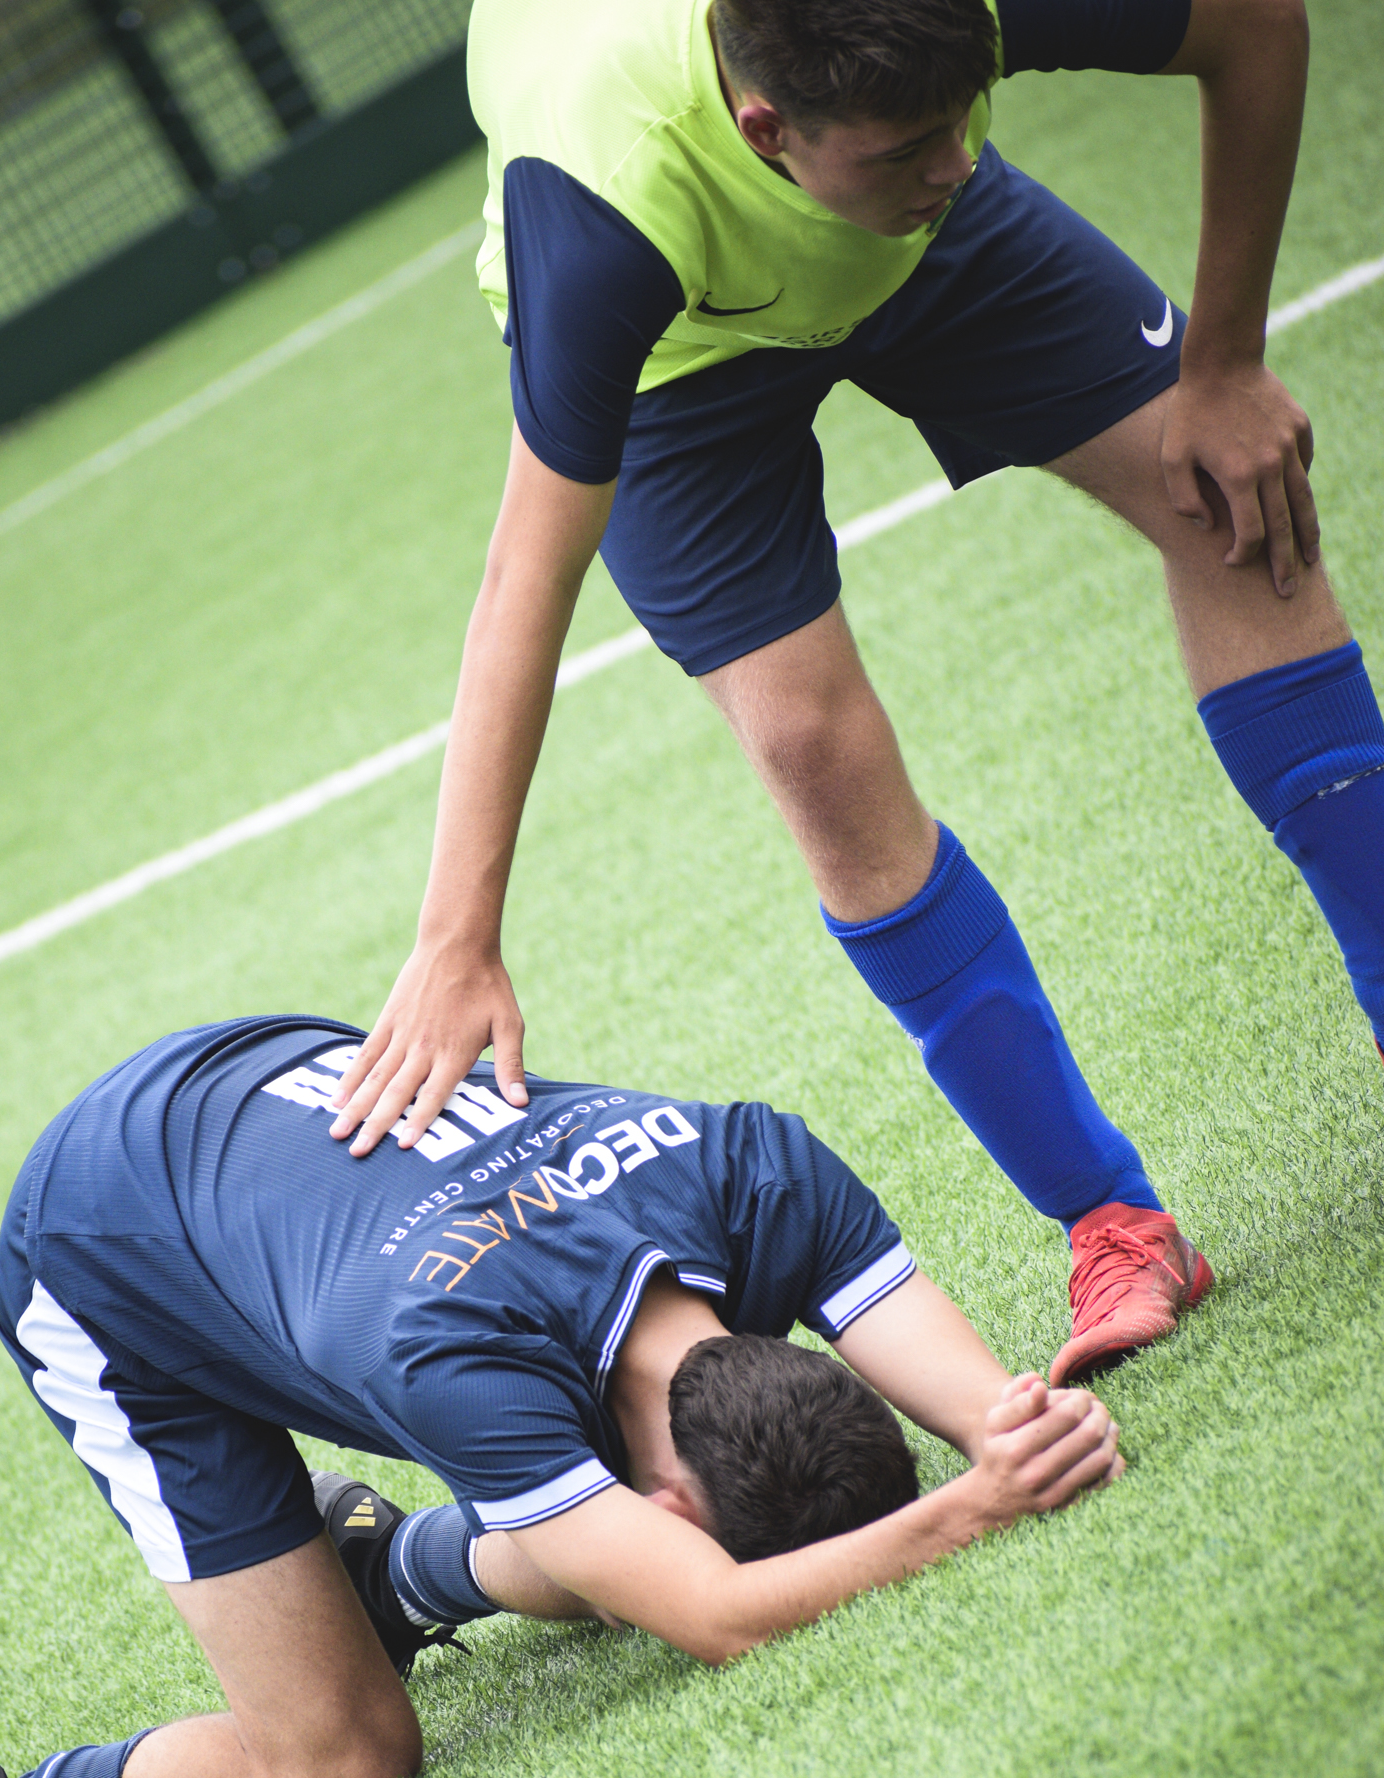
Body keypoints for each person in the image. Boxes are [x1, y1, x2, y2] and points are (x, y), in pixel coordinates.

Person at [326, 0, 1384, 1385]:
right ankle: (1112, 1223)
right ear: (764, 126)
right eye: (905, 146)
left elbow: (1253, 25)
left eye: (960, 117)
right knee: (809, 754)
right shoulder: (600, 214)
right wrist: (455, 936)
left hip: (924, 259)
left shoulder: (937, 61)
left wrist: (1224, 364)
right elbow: (522, 583)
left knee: (1230, 506)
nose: (954, 158)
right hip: (681, 355)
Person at [0, 1014, 1119, 1778]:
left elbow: (986, 1417)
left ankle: (390, 1571)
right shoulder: (459, 1356)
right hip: (101, 1247)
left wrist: (1004, 1445)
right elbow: (721, 1612)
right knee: (337, 1766)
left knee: (596, 1554)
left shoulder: (757, 1166)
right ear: (675, 1496)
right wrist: (967, 1513)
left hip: (257, 1107)